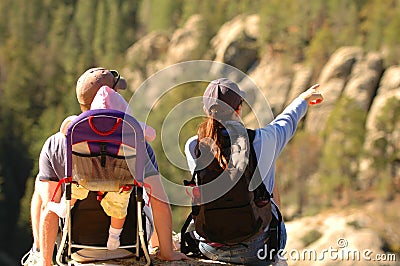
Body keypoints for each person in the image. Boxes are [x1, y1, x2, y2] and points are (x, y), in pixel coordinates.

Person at [22, 68, 188, 266]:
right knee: (144, 191)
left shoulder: (58, 143)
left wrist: (47, 262)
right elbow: (159, 200)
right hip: (128, 246)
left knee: (44, 189)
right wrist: (167, 254)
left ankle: (39, 251)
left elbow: (49, 206)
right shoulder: (136, 141)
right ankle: (155, 245)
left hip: (79, 249)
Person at [184, 78, 323, 265]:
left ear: (206, 111)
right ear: (239, 109)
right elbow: (287, 120)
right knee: (268, 183)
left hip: (211, 247)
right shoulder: (263, 140)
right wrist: (303, 99)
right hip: (256, 249)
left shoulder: (194, 145)